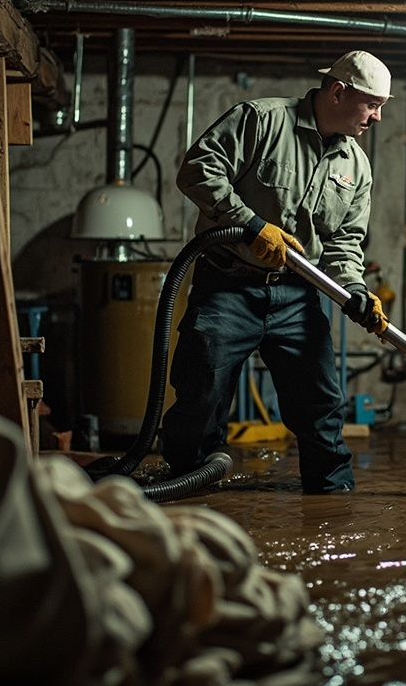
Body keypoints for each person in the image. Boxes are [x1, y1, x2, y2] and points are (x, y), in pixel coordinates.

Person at [160, 50, 393, 494]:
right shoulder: (262, 120)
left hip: (297, 297)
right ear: (339, 92)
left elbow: (345, 242)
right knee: (201, 391)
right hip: (227, 285)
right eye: (373, 104)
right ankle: (186, 485)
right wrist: (248, 224)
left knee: (321, 402)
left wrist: (355, 289)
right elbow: (197, 169)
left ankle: (332, 496)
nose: (378, 117)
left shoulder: (356, 167)